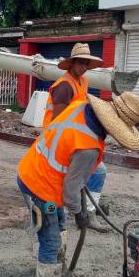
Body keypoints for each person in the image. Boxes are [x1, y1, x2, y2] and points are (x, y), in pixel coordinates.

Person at [17, 91, 139, 277]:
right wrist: (80, 213)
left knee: (58, 224)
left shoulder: (80, 107)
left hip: (36, 170)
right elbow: (71, 191)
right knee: (50, 237)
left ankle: (56, 267)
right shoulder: (88, 147)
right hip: (40, 186)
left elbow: (67, 156)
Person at [45, 43, 110, 232]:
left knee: (95, 172)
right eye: (80, 63)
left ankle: (86, 212)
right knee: (88, 173)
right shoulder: (64, 86)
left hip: (74, 138)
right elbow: (58, 122)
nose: (83, 67)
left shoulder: (83, 82)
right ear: (72, 63)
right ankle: (70, 214)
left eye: (86, 64)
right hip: (59, 140)